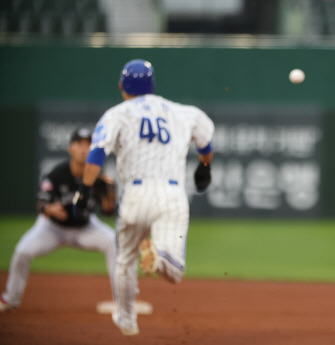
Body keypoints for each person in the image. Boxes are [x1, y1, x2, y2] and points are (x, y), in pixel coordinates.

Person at [74, 59, 215, 336]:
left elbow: (96, 154)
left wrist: (85, 189)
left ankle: (127, 320)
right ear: (152, 86)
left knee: (124, 259)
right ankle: (161, 257)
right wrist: (204, 166)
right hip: (172, 195)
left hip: (135, 196)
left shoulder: (116, 114)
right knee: (174, 273)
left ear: (121, 87)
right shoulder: (183, 112)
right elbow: (205, 142)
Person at [0, 128, 117, 312]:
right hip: (53, 229)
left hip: (86, 228)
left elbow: (108, 211)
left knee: (113, 242)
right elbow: (42, 202)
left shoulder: (98, 178)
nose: (84, 149)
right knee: (22, 251)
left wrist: (110, 200)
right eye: (80, 144)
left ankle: (121, 302)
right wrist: (49, 209)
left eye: (89, 144)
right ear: (70, 148)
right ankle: (10, 299)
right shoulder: (57, 173)